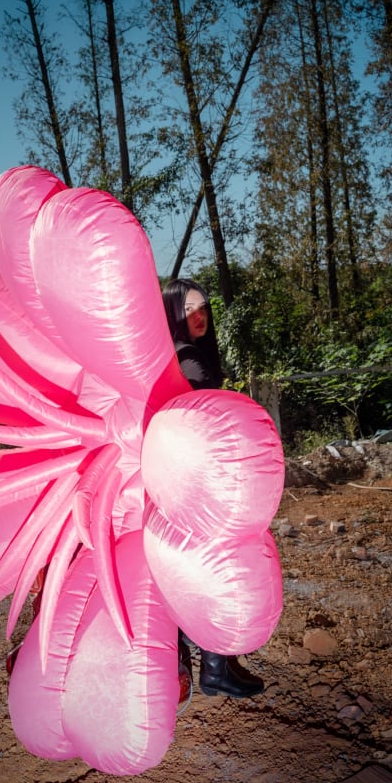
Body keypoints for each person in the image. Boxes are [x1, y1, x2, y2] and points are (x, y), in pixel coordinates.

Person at [162, 278, 264, 699]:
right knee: (217, 570)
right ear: (172, 312)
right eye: (188, 309)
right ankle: (215, 666)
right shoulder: (190, 360)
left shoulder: (183, 356)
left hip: (190, 481)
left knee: (207, 571)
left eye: (203, 306)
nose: (199, 315)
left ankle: (214, 662)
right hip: (203, 483)